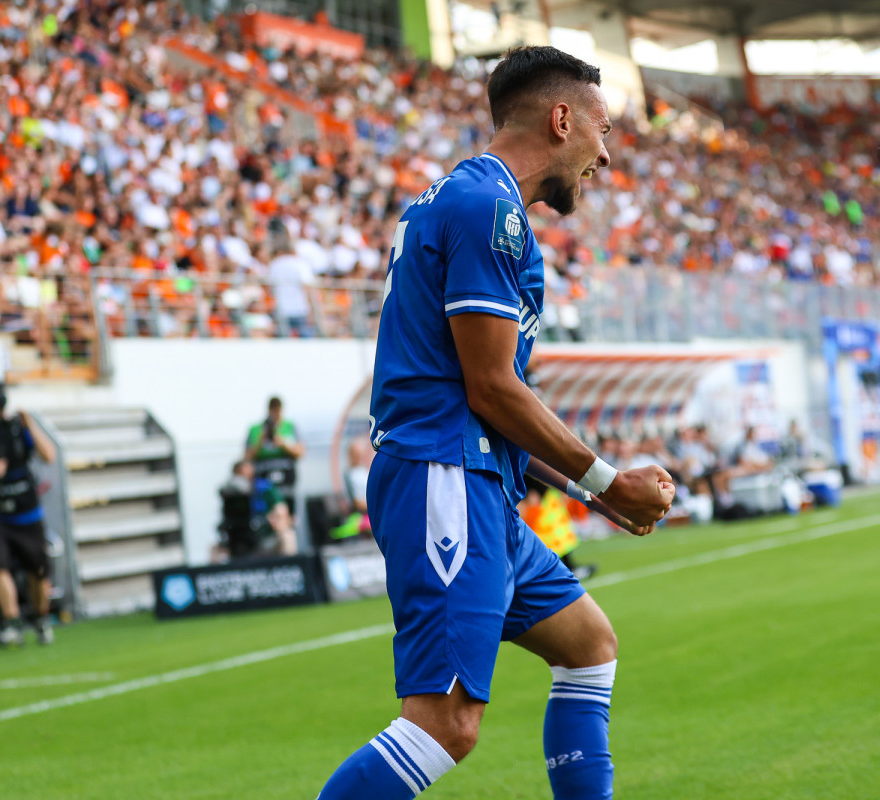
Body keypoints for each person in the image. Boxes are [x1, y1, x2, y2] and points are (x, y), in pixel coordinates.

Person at [319, 47, 674, 800]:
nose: (606, 155)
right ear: (561, 119)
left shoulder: (471, 198)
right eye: (603, 131)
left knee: (588, 645)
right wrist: (609, 482)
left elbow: (487, 396)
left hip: (475, 477)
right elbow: (491, 388)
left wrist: (596, 493)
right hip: (444, 479)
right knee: (444, 725)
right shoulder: (488, 209)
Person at [0, 381, 58, 647]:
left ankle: (40, 618)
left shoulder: (19, 426)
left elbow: (49, 455)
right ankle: (12, 623)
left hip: (27, 511)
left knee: (37, 570)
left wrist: (30, 425)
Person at [214, 459, 297, 560]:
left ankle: (290, 566)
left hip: (265, 538)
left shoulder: (264, 488)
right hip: (239, 539)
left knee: (287, 536)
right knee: (215, 550)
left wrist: (276, 522)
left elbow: (281, 509)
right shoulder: (229, 494)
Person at [519, 475, 596, 580]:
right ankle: (559, 571)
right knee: (546, 536)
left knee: (560, 535)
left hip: (545, 495)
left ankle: (569, 568)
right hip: (536, 499)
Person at [245, 396, 305, 513]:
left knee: (287, 513)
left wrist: (283, 444)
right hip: (264, 483)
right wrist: (260, 442)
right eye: (273, 410)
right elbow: (246, 456)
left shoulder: (290, 427)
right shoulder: (256, 429)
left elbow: (300, 452)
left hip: (286, 483)